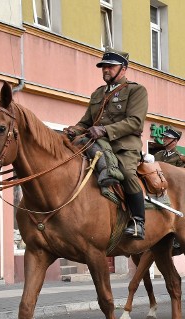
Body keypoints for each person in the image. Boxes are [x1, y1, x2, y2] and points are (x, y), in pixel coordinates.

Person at [64, 48, 148, 239]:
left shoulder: (136, 90)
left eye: (110, 66)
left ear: (123, 69)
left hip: (123, 146)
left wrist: (104, 130)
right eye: (103, 67)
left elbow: (135, 121)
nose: (106, 70)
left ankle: (138, 221)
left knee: (126, 173)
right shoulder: (98, 94)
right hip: (96, 144)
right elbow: (86, 122)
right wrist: (73, 130)